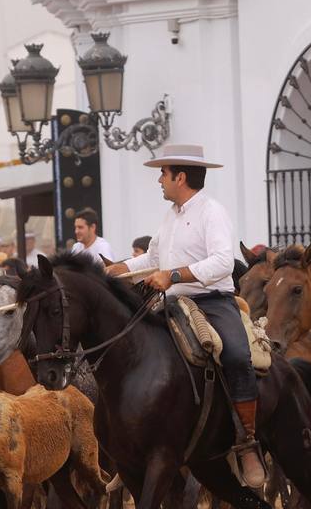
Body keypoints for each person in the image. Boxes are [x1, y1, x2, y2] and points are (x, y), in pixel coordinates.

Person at [105, 143, 265, 489]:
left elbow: (223, 262)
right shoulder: (171, 216)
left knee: (237, 354)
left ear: (180, 177)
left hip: (213, 302)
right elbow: (152, 258)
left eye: (163, 174)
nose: (158, 180)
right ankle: (135, 444)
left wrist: (174, 275)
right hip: (172, 303)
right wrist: (119, 269)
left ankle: (247, 442)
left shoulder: (212, 212)